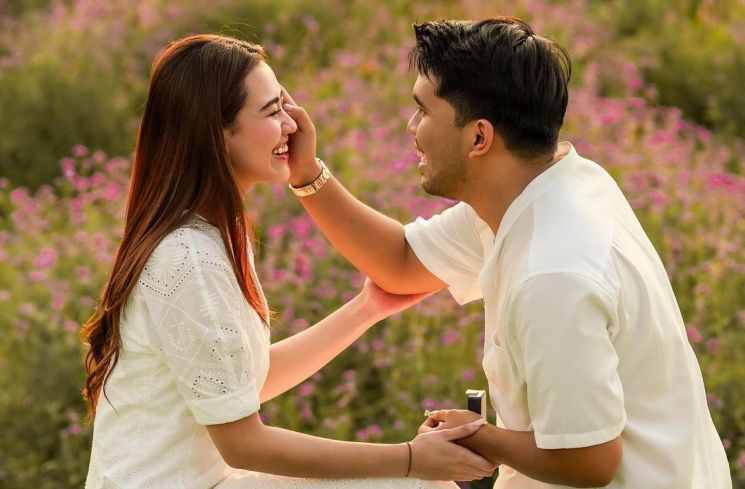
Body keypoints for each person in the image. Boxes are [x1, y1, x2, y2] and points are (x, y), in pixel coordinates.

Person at [280, 17, 732, 489]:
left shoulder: (551, 274)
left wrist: (478, 437)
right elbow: (402, 263)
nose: (411, 128)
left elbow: (588, 462)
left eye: (423, 112)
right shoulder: (545, 186)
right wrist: (305, 171)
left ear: (479, 138)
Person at [79, 34, 497, 489]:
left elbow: (241, 386)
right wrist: (412, 460)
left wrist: (367, 309)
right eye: (271, 112)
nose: (292, 125)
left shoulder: (216, 232)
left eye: (285, 105)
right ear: (215, 131)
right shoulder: (188, 258)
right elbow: (243, 443)